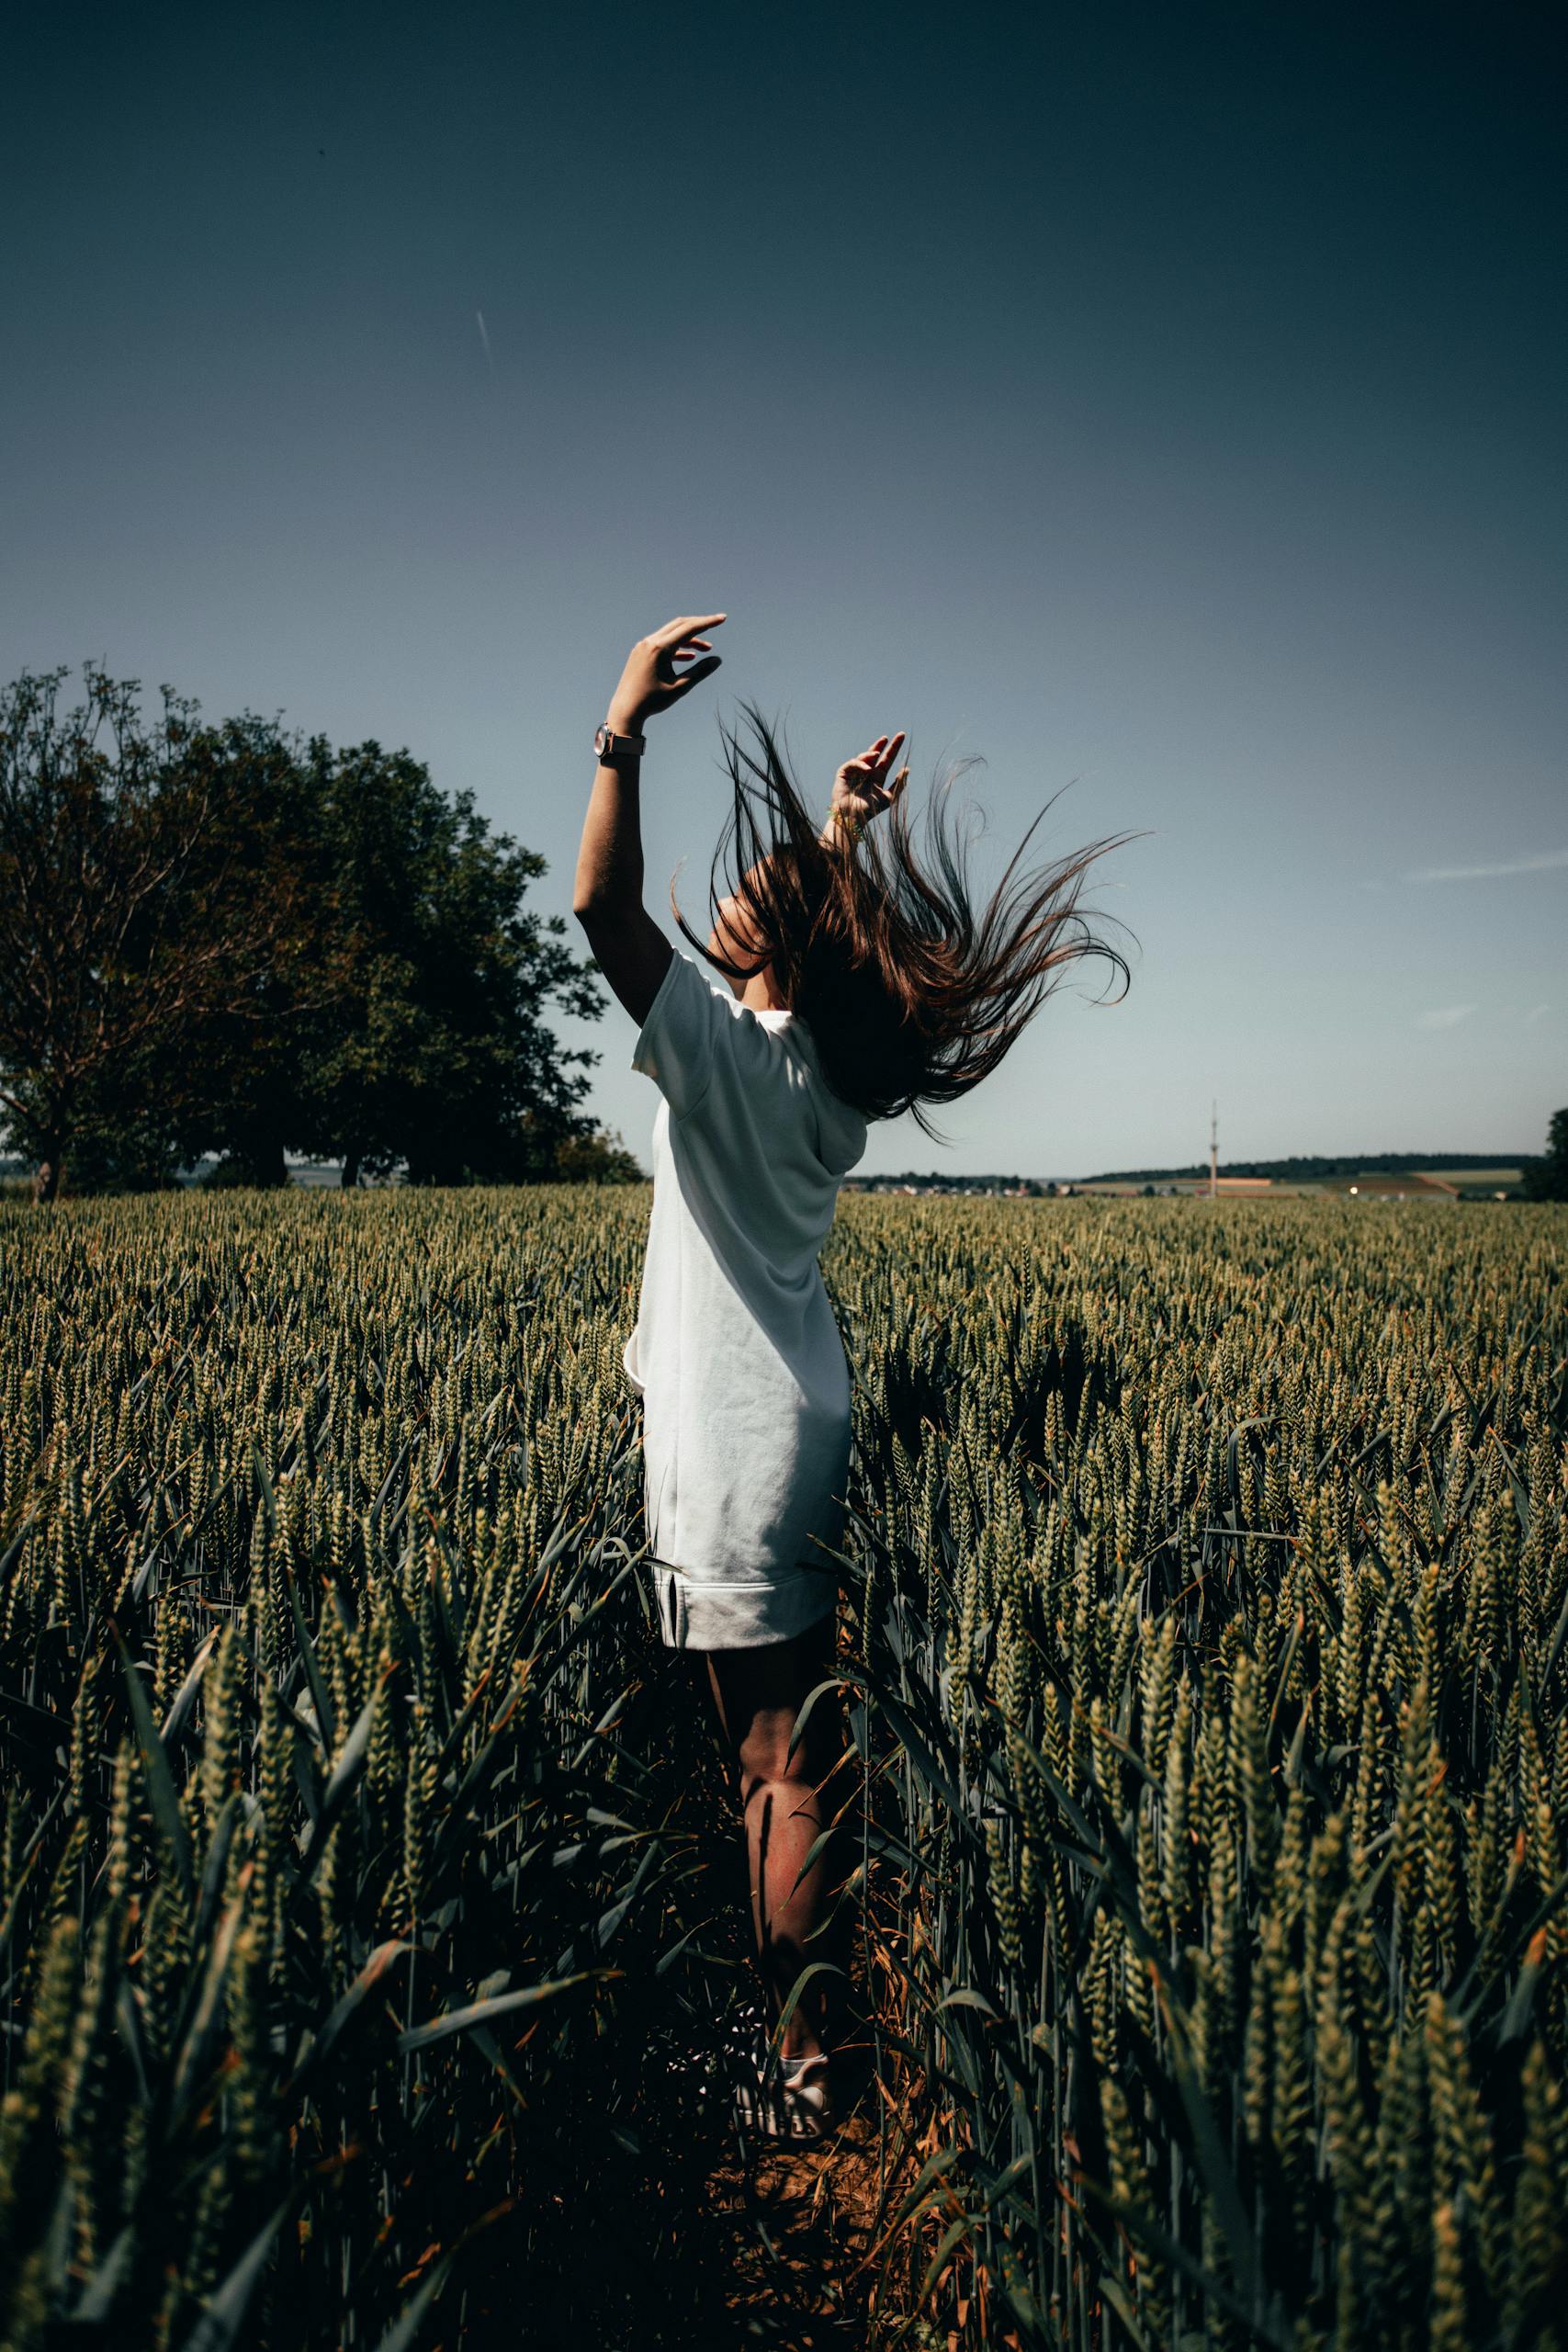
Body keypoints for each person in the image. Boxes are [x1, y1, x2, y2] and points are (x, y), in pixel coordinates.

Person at [572, 614, 1132, 2139]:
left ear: (774, 953)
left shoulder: (727, 1060)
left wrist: (623, 723)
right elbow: (793, 981)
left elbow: (601, 909)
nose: (741, 892)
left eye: (765, 890)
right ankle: (799, 2031)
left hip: (728, 1444)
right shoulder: (819, 1089)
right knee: (792, 1740)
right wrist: (841, 833)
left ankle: (800, 2068)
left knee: (776, 1766)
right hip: (804, 1424)